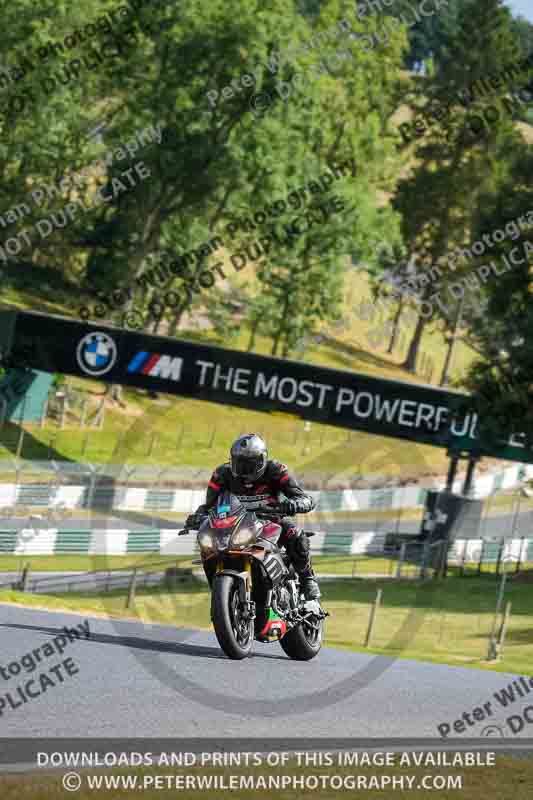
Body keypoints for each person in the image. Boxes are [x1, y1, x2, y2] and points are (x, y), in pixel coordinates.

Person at [185, 433, 321, 601]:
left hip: (271, 519)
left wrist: (296, 503)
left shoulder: (276, 470)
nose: (243, 471)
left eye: (249, 465)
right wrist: (198, 517)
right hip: (234, 524)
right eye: (239, 464)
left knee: (294, 532)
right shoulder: (221, 474)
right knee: (209, 544)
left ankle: (308, 579)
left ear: (262, 460)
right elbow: (209, 506)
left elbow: (304, 497)